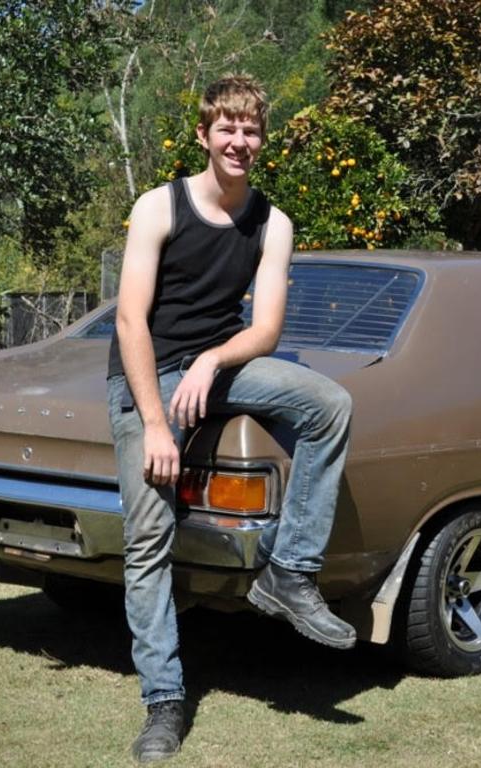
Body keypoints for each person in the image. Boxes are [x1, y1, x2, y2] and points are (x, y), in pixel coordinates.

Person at [106, 74, 355, 763]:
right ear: (204, 136)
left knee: (330, 404)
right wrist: (156, 424)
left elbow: (266, 329)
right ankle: (163, 702)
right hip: (148, 376)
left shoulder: (273, 223)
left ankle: (290, 572)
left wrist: (212, 360)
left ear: (261, 139)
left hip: (215, 365)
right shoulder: (159, 206)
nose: (239, 142)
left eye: (250, 131)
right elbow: (130, 321)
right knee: (148, 540)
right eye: (227, 129)